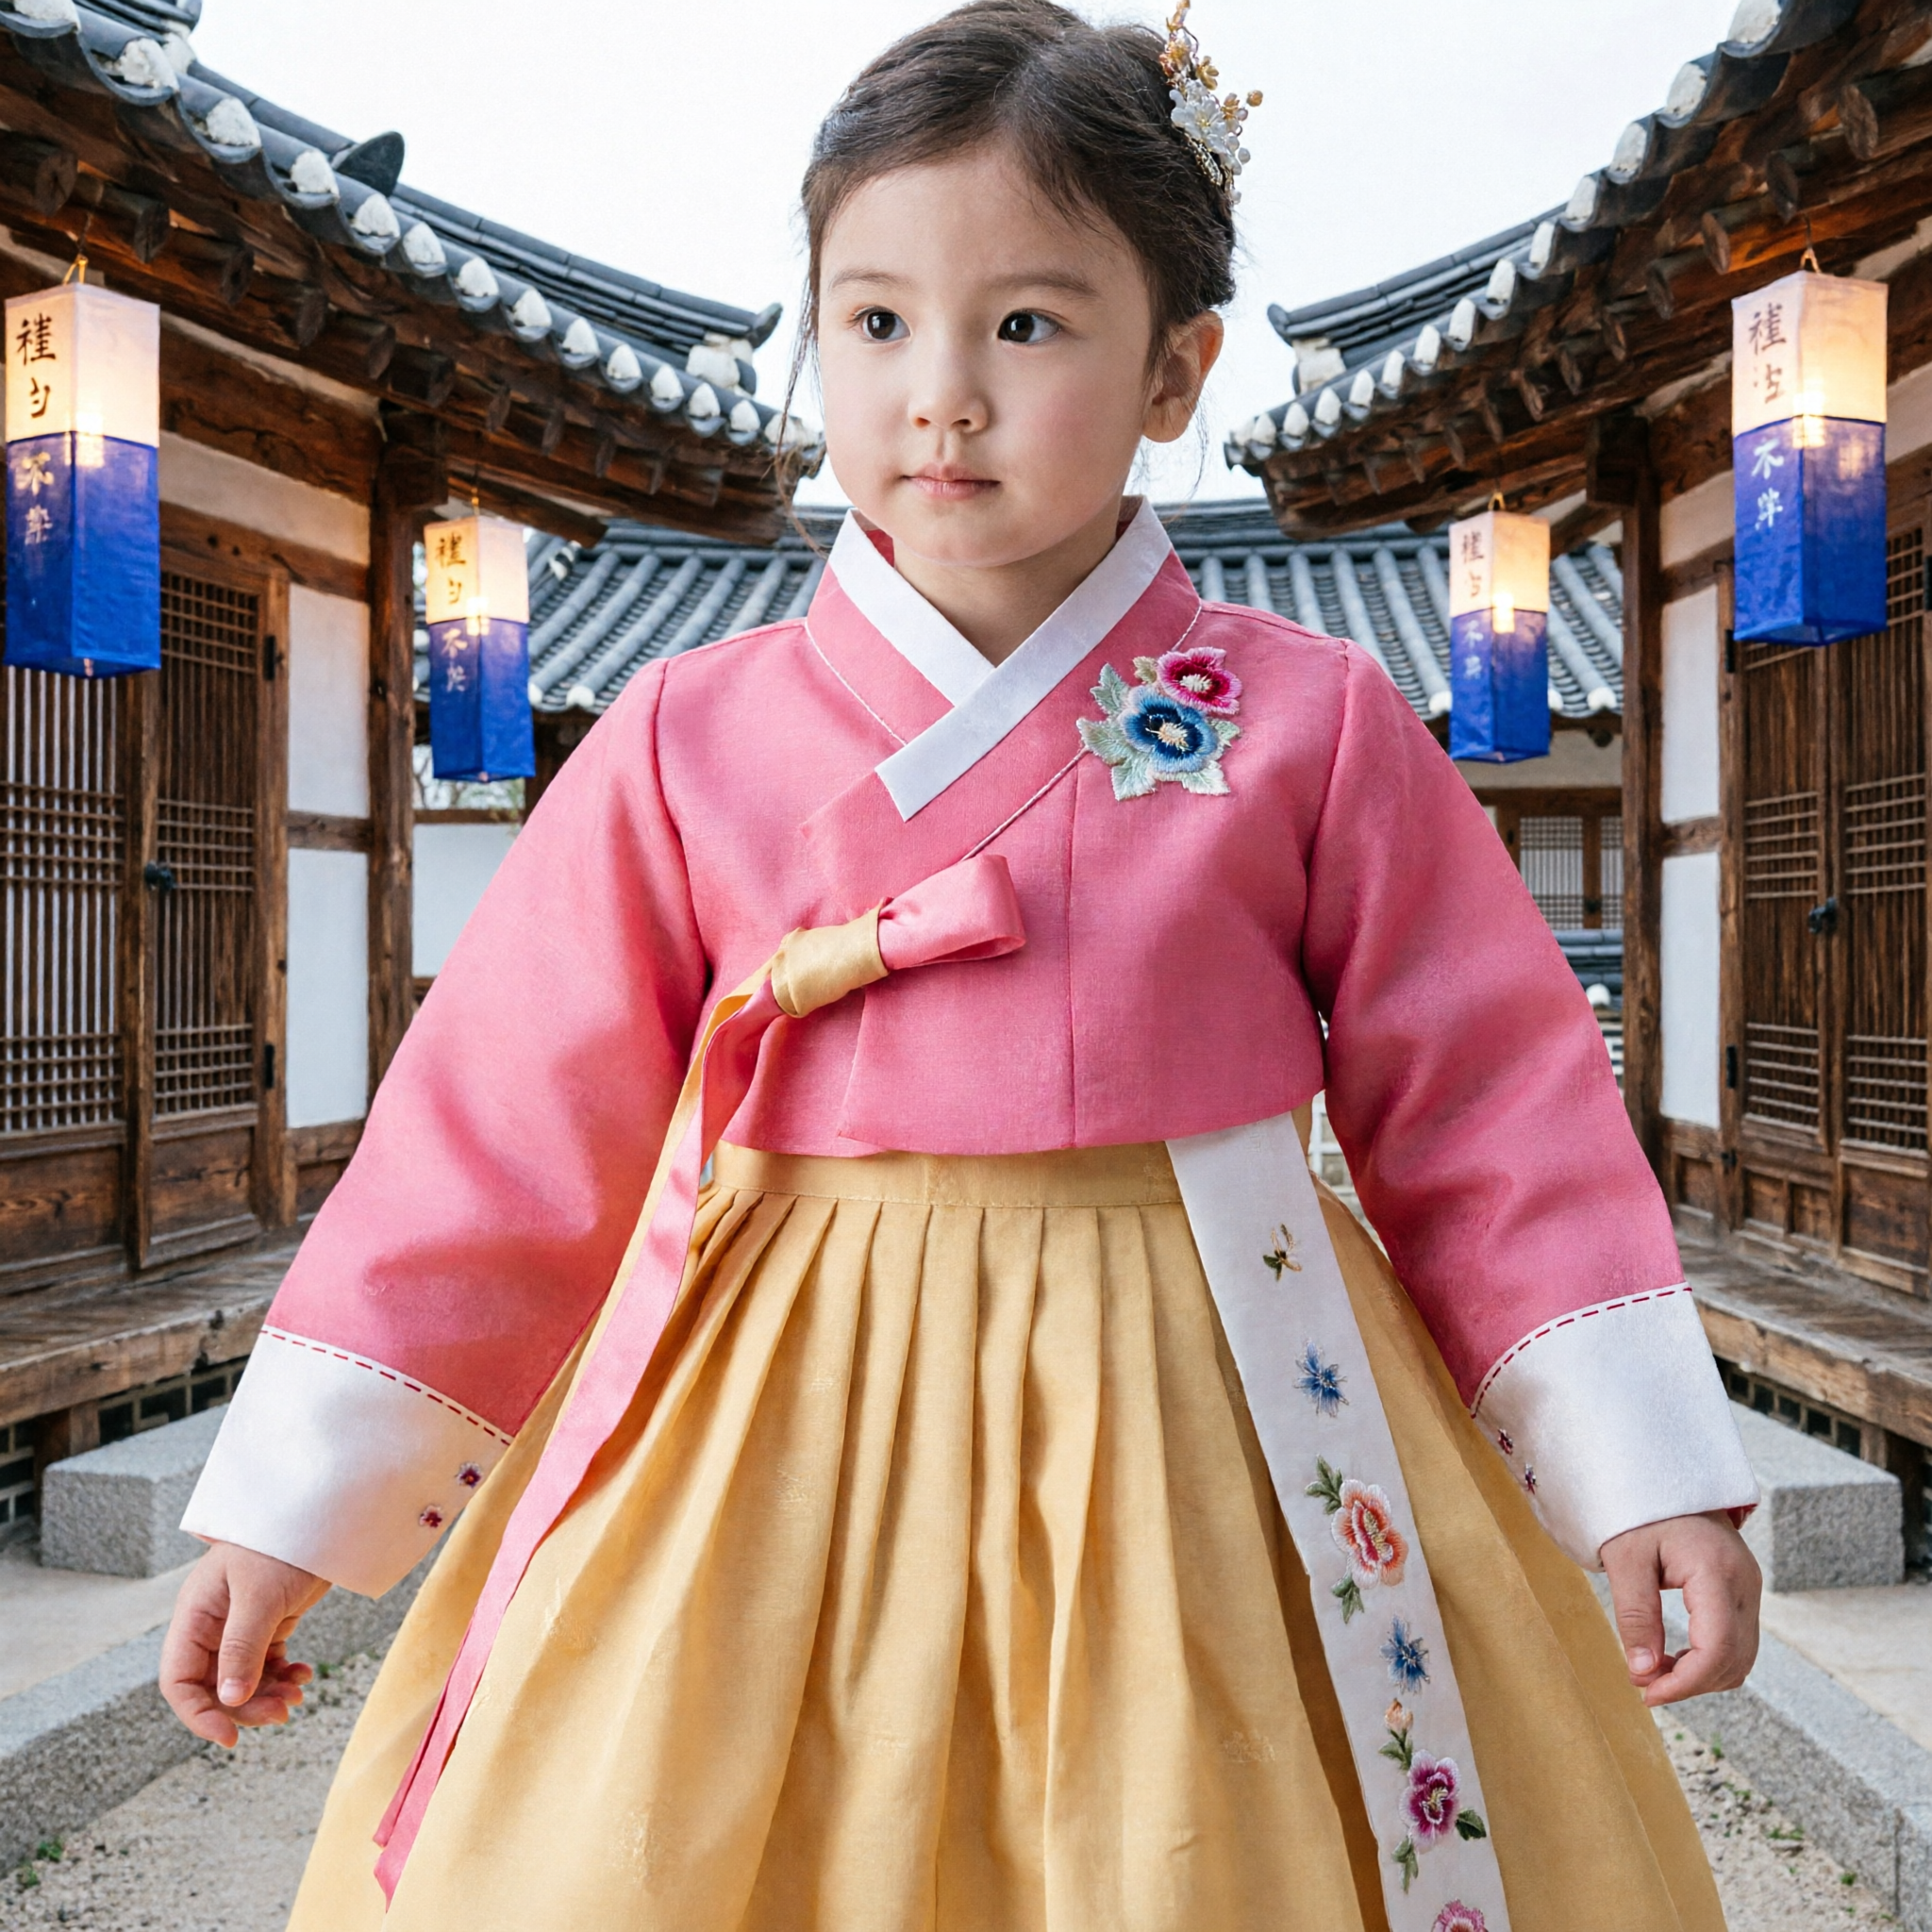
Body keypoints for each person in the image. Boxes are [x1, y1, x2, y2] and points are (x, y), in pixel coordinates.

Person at [159, 4, 1762, 1926]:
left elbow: (1495, 1107)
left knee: (1191, 1826)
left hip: (1223, 1390)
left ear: (1175, 369)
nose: (942, 394)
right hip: (763, 1398)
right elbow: (496, 1130)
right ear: (818, 336)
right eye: (875, 320)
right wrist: (292, 1508)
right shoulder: (680, 732)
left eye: (1028, 322)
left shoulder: (1310, 725)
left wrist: (1639, 1469)